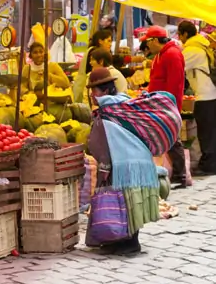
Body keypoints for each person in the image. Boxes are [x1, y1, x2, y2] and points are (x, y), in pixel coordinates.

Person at [86, 68, 160, 255]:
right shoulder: (124, 104)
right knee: (128, 200)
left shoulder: (109, 110)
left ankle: (130, 242)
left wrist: (104, 164)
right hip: (134, 159)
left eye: (95, 91)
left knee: (126, 201)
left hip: (125, 161)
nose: (93, 95)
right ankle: (122, 240)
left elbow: (104, 141)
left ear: (107, 90)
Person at [142, 26, 187, 188]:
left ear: (154, 40)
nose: (147, 46)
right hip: (159, 104)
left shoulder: (172, 54)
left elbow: (175, 84)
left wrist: (169, 105)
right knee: (170, 139)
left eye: (147, 42)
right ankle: (178, 174)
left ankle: (181, 176)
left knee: (173, 139)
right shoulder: (161, 54)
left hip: (167, 105)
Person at [178, 21, 216, 175]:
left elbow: (177, 65)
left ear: (185, 34)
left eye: (180, 35)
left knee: (206, 133)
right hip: (211, 94)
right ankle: (210, 164)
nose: (180, 39)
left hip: (206, 96)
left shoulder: (193, 50)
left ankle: (209, 166)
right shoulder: (204, 45)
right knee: (211, 132)